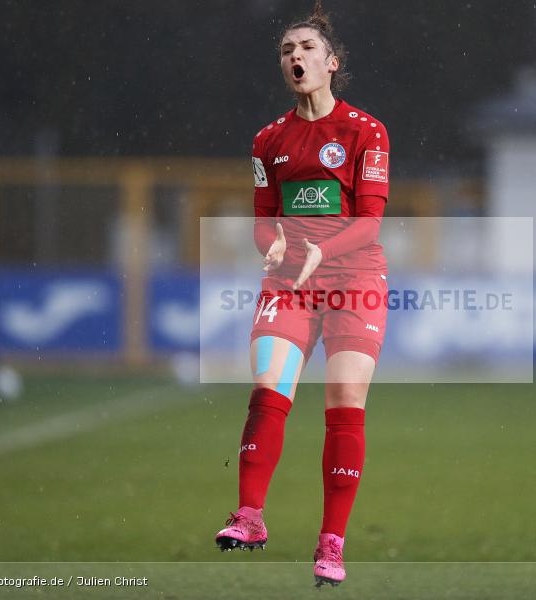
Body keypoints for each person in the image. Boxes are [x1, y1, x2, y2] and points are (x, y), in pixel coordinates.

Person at [214, 0, 390, 588]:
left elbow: (369, 222)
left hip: (353, 279)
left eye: (307, 48)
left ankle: (331, 544)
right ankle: (250, 515)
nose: (296, 56)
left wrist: (324, 252)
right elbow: (264, 218)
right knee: (267, 389)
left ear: (331, 62)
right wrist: (271, 245)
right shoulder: (268, 140)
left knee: (344, 407)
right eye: (287, 49)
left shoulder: (365, 131)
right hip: (289, 282)